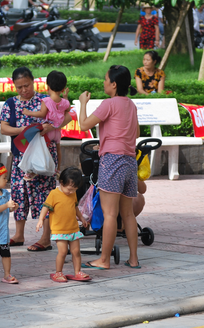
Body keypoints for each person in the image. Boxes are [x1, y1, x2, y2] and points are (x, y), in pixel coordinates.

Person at [0, 67, 72, 252]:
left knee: (44, 195)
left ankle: (46, 238)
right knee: (19, 194)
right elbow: (4, 129)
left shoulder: (45, 100)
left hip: (43, 157)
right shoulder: (11, 104)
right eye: (19, 87)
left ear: (34, 82)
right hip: (20, 158)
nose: (24, 90)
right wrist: (26, 131)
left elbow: (67, 116)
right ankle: (19, 234)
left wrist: (50, 127)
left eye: (27, 85)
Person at [78, 65, 141, 270]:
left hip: (112, 162)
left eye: (106, 79)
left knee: (110, 214)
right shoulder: (130, 104)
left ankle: (104, 260)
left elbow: (84, 125)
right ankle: (133, 259)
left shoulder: (109, 103)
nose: (104, 82)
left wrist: (83, 103)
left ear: (114, 84)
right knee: (128, 214)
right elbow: (136, 132)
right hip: (130, 162)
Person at [37, 168, 91, 283]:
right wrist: (41, 219)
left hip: (73, 228)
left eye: (74, 189)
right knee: (62, 252)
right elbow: (45, 207)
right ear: (61, 182)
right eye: (70, 189)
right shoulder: (54, 194)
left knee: (76, 252)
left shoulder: (73, 193)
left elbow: (75, 207)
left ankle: (78, 272)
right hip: (59, 230)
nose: (71, 192)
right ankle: (58, 272)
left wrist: (81, 218)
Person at [21, 70, 70, 173]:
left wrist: (29, 112)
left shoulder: (47, 100)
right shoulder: (64, 102)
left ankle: (34, 169)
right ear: (63, 88)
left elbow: (42, 114)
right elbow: (68, 110)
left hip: (48, 131)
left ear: (48, 86)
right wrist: (65, 97)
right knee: (58, 149)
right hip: (57, 132)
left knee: (39, 147)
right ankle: (58, 168)